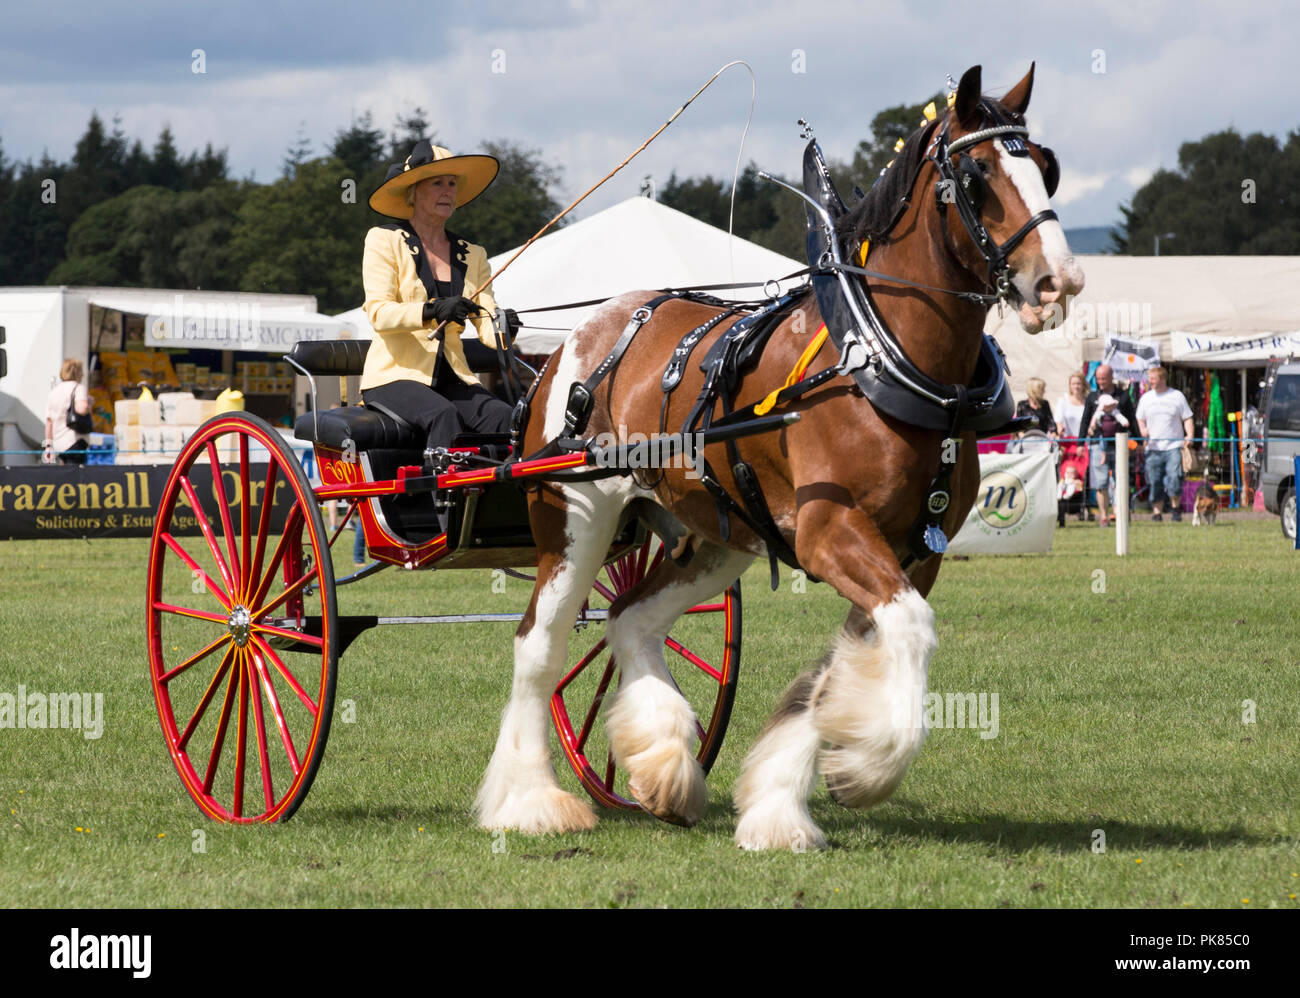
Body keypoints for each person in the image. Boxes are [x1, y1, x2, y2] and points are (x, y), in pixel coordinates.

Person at [359, 140, 515, 459]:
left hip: (454, 377)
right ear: (413, 192)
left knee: (508, 419)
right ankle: (444, 507)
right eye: (438, 183)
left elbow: (485, 317)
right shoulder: (383, 240)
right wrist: (432, 310)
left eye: (453, 184)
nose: (448, 191)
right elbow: (379, 313)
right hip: (394, 376)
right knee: (444, 416)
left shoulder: (473, 254)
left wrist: (503, 326)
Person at [1136, 365, 1194, 522]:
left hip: (1173, 446)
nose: (1150, 382)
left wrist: (1189, 435)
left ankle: (1175, 510)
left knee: (1175, 477)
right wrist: (1142, 430)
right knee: (1154, 480)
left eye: (1153, 379)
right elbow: (1139, 417)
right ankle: (1157, 512)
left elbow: (1187, 417)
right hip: (1153, 447)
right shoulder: (1146, 398)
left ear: (1162, 379)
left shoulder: (1177, 396)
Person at [1085, 393, 1130, 527]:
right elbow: (1092, 423)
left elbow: (1122, 419)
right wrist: (1092, 427)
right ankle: (1104, 515)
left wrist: (1125, 422)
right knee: (1102, 482)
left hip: (1116, 445)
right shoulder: (1098, 414)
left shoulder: (1115, 412)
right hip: (1101, 444)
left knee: (1120, 480)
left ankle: (1119, 513)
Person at [43, 359, 92, 465]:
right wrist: (89, 404)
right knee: (76, 476)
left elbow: (49, 422)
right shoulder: (78, 388)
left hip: (59, 443)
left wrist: (48, 445)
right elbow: (81, 408)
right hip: (75, 440)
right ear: (77, 372)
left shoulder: (54, 392)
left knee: (65, 476)